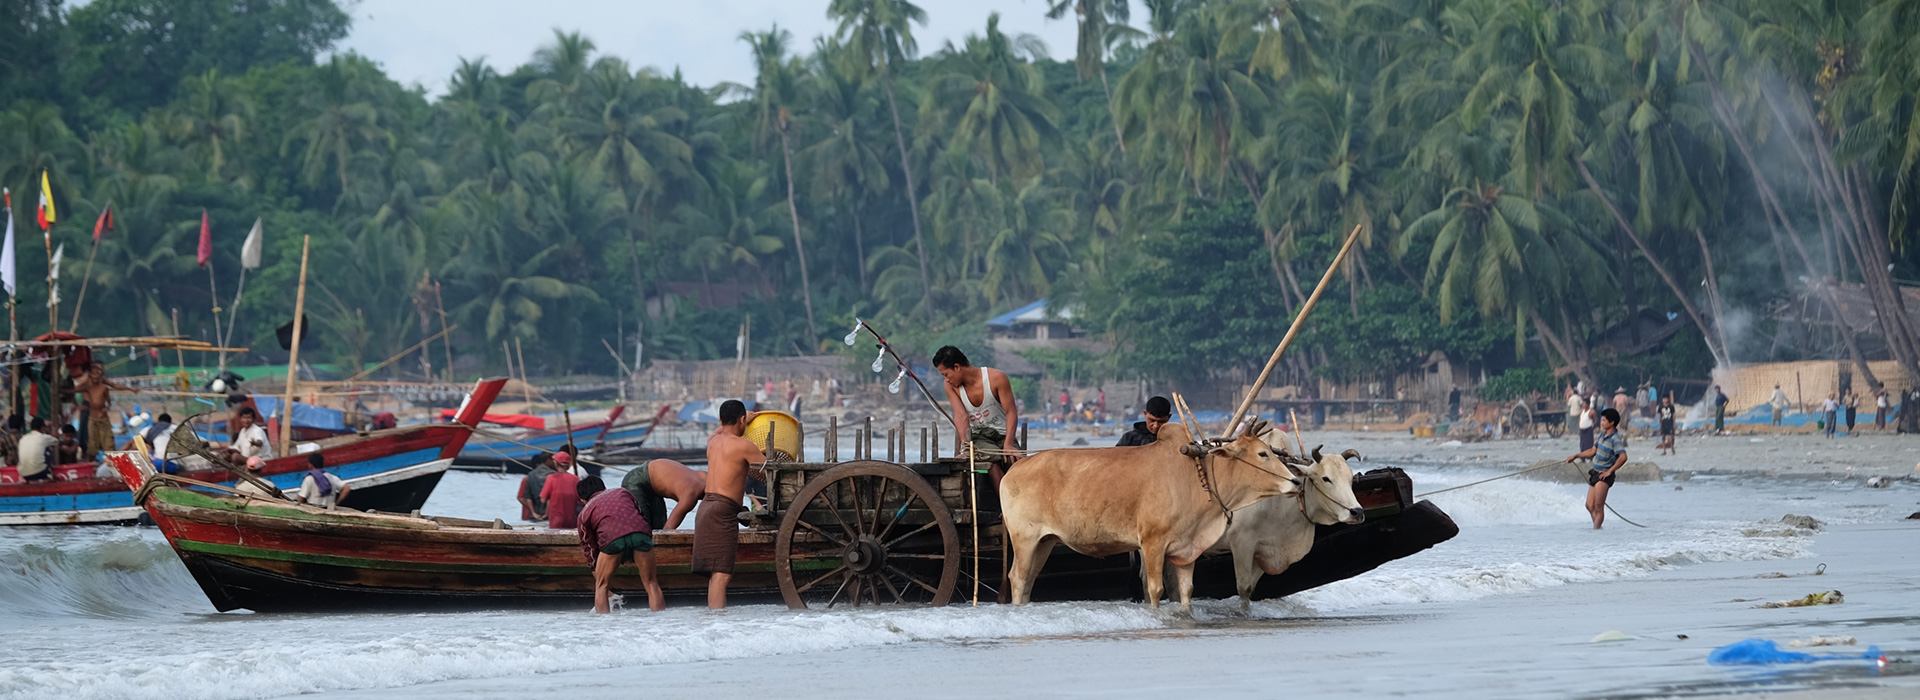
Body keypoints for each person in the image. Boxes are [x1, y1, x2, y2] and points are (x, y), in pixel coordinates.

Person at [697, 400, 764, 609]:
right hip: (722, 510)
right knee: (722, 575)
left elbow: (717, 432)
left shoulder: (712, 442)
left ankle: (716, 621)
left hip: (706, 508)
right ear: (742, 420)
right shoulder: (743, 445)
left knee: (716, 575)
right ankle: (719, 625)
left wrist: (741, 418)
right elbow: (772, 472)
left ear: (719, 420)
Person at [934, 346, 1023, 487]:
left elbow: (1011, 412)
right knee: (992, 461)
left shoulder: (996, 378)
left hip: (1002, 435)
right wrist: (965, 447)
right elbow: (961, 416)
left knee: (1017, 462)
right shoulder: (950, 386)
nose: (947, 379)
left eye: (946, 374)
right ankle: (1004, 507)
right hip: (978, 437)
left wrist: (1008, 444)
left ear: (957, 367)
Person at [575, 476, 663, 613]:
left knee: (602, 586)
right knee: (651, 583)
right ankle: (662, 622)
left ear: (583, 500)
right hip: (641, 533)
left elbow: (589, 546)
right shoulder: (622, 492)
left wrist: (594, 566)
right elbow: (640, 514)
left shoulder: (584, 512)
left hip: (612, 539)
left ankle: (604, 627)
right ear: (604, 488)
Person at [1565, 408, 1627, 530]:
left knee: (1598, 506)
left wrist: (1610, 471)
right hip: (1595, 473)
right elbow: (1593, 451)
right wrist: (1576, 456)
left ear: (1612, 422)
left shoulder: (1615, 439)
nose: (1602, 423)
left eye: (1604, 421)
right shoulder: (1603, 435)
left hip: (1604, 476)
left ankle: (1596, 530)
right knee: (1589, 505)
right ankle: (1598, 528)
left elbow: (1623, 457)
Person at [621, 458, 707, 530]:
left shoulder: (706, 476)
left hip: (654, 484)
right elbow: (668, 529)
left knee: (657, 528)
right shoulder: (691, 494)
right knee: (643, 528)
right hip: (636, 479)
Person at [76, 362, 136, 458]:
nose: (97, 375)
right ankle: (88, 457)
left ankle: (106, 457)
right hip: (88, 408)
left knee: (106, 439)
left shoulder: (102, 383)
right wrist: (77, 405)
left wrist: (130, 389)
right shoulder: (86, 382)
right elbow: (73, 390)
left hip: (101, 413)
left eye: (100, 371)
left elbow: (114, 386)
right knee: (88, 437)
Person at [540, 451, 583, 529]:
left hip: (555, 520)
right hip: (571, 520)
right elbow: (580, 500)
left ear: (556, 463)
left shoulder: (551, 478)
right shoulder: (575, 479)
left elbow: (543, 499)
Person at [518, 453, 557, 522]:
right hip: (549, 515)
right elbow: (549, 498)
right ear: (548, 460)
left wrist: (534, 512)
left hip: (532, 515)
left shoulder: (529, 476)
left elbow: (526, 497)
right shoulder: (554, 475)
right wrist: (546, 513)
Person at [16, 418, 58, 482]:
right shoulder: (43, 437)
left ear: (30, 428)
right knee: (47, 450)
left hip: (23, 473)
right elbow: (56, 440)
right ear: (42, 428)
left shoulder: (23, 438)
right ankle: (48, 475)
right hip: (40, 473)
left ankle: (26, 480)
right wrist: (53, 429)